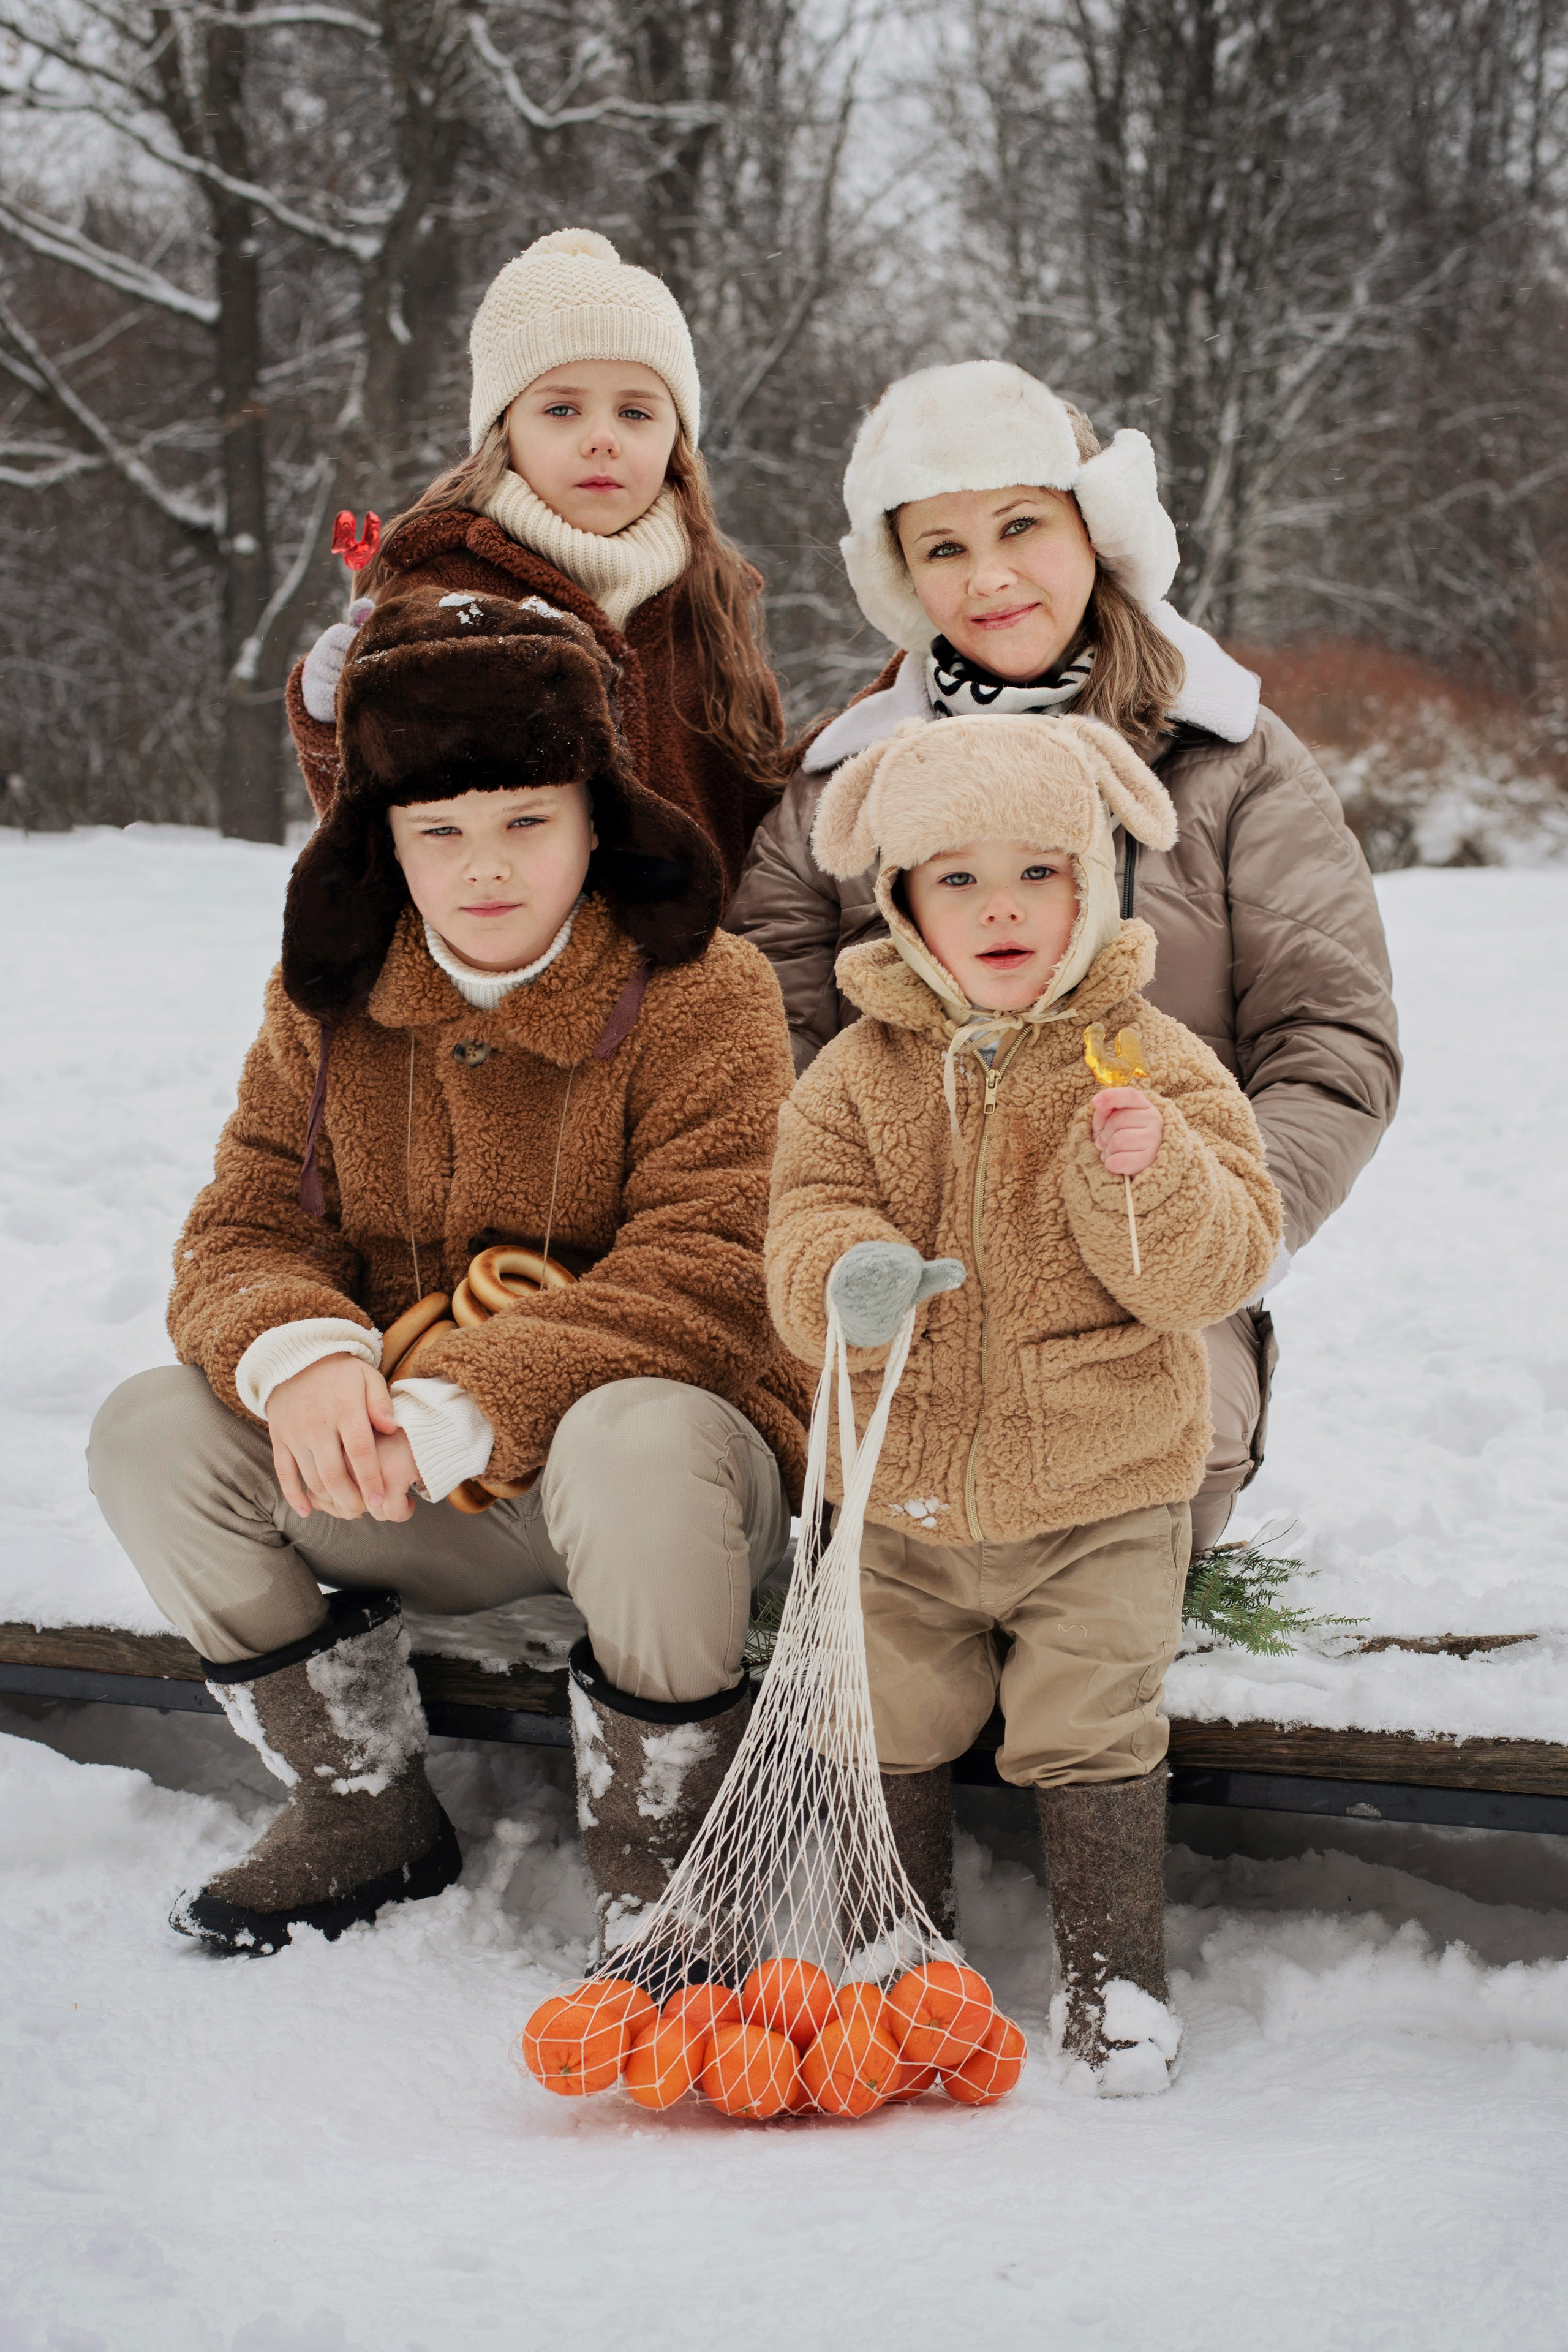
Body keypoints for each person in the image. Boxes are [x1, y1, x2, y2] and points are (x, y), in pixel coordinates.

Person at [88, 586, 807, 1957]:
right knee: (150, 1428)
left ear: (594, 815)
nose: (487, 867)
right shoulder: (329, 1003)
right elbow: (243, 1229)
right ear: (387, 843)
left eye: (527, 821)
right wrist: (306, 1358)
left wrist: (469, 1396)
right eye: (441, 834)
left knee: (636, 1433)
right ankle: (356, 1798)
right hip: (395, 1482)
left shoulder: (702, 990)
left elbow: (715, 1265)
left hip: (653, 1497)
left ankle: (670, 1861)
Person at [728, 361, 1401, 1550]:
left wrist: (1225, 1229)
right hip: (916, 1278)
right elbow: (755, 1035)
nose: (985, 575)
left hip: (1151, 1266)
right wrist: (850, 1235)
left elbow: (1330, 1041)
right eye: (939, 546)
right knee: (895, 1574)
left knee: (1115, 1534)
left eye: (1020, 525)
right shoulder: (841, 786)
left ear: (1094, 524)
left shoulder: (1231, 758)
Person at [764, 709, 1281, 2093]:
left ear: (1093, 882)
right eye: (955, 876)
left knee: (1092, 1719)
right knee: (881, 1708)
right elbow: (799, 1222)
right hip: (898, 1487)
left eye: (1036, 871)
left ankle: (1113, 1971)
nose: (999, 904)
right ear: (897, 898)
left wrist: (1145, 1175)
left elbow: (1217, 1263)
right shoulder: (856, 1074)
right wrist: (846, 1275)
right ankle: (894, 1946)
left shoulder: (1150, 1058)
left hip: (1099, 1484)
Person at [288, 227, 785, 894]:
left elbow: (757, 820)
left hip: (700, 982)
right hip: (512, 979)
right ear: (504, 431)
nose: (603, 438)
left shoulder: (713, 598)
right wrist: (332, 723)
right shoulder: (445, 590)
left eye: (637, 412)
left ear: (677, 437)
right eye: (561, 409)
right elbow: (377, 824)